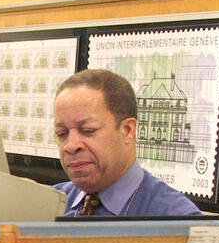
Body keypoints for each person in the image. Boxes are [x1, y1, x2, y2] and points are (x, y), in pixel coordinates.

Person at [53, 68, 200, 217]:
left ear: (128, 130)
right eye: (61, 134)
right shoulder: (49, 204)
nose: (71, 146)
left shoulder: (176, 220)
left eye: (87, 130)